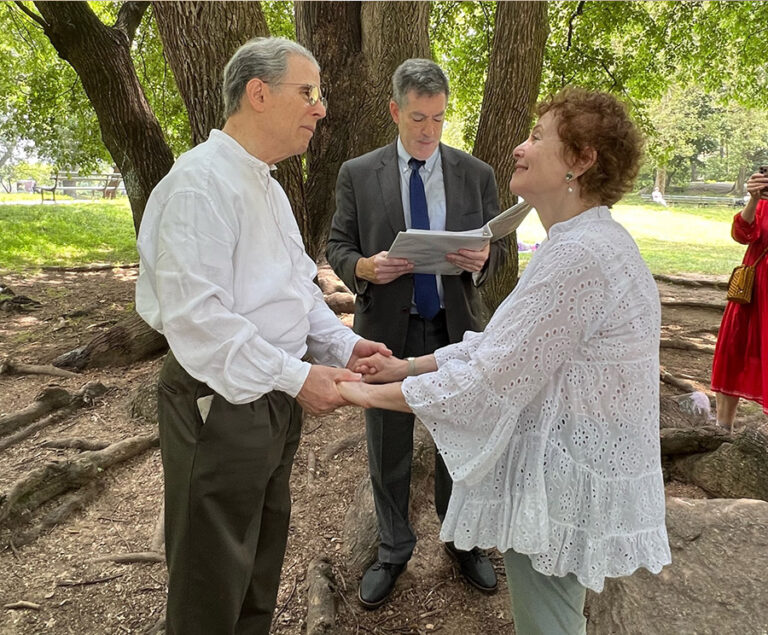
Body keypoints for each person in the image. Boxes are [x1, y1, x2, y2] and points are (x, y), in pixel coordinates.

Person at [337, 87, 671, 634]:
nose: (520, 147)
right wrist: (407, 367)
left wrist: (355, 392)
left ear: (581, 160)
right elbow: (500, 345)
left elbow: (488, 380)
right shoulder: (580, 242)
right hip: (563, 475)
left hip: (561, 485)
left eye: (538, 137)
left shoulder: (580, 255)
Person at [135, 37, 389, 635]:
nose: (321, 107)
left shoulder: (268, 186)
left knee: (257, 565)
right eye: (308, 92)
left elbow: (297, 291)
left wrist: (345, 346)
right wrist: (298, 377)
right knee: (211, 579)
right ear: (258, 93)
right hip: (220, 402)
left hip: (273, 396)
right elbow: (199, 321)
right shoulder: (199, 184)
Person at [326, 58, 504, 608]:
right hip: (386, 330)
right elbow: (337, 246)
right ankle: (393, 549)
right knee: (387, 444)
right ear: (394, 111)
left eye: (439, 119)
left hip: (456, 330)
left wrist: (482, 260)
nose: (429, 131)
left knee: (460, 440)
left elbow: (499, 256)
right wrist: (363, 268)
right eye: (418, 118)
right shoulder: (359, 173)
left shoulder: (476, 174)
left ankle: (461, 540)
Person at [711, 169, 768, 430]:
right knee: (735, 351)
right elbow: (742, 234)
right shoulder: (763, 203)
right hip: (753, 292)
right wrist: (754, 199)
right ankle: (722, 429)